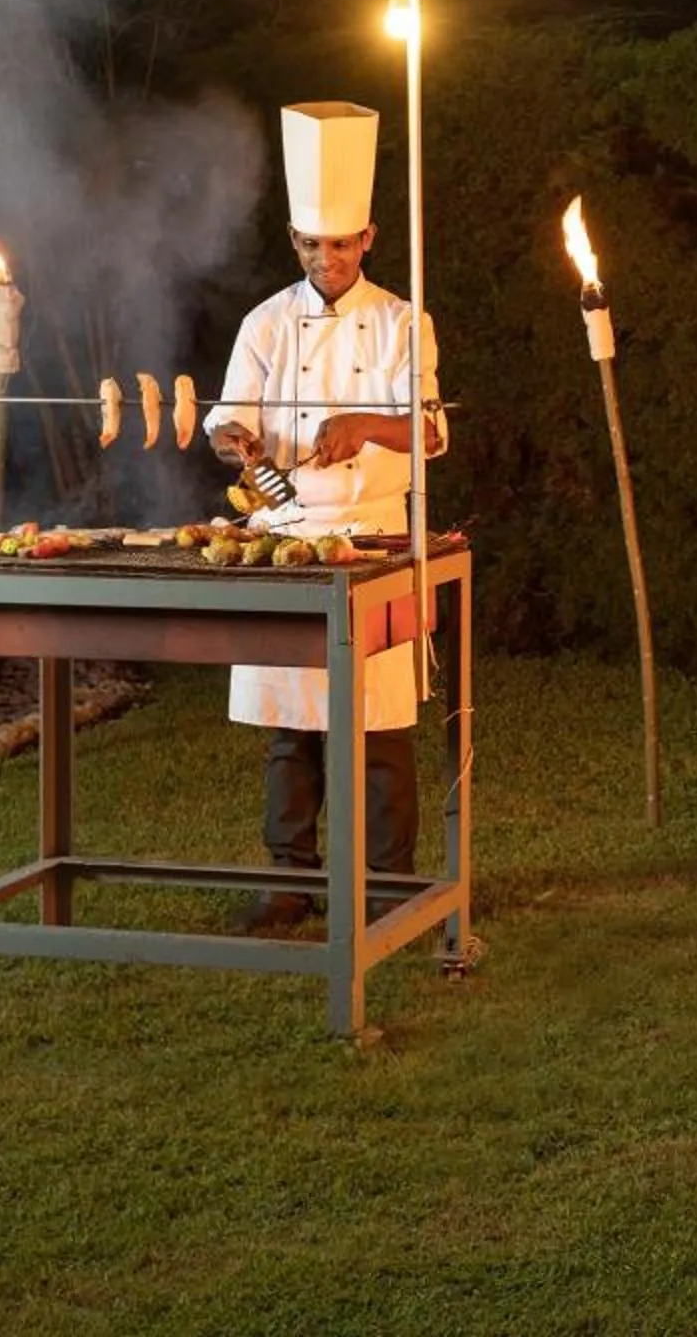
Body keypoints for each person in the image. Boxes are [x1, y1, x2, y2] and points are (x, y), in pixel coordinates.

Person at [204, 101, 447, 932]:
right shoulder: (265, 322)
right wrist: (236, 439)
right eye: (314, 245)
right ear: (295, 243)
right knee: (290, 727)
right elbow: (227, 418)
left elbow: (430, 429)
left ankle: (388, 883)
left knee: (379, 724)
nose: (329, 260)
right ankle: (289, 882)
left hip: (375, 536)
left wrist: (363, 426)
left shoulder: (402, 323)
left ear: (369, 239)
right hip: (283, 536)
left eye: (342, 245)